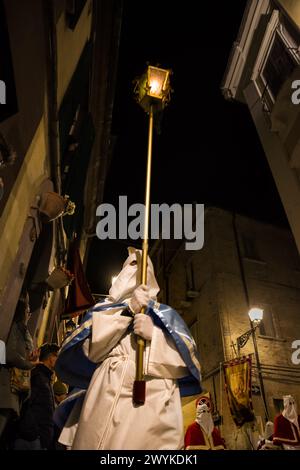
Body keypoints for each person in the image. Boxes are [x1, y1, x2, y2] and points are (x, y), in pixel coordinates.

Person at [55, 247, 202, 450]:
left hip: (150, 397)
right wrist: (127, 311)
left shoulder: (166, 315)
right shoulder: (105, 310)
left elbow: (184, 364)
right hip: (104, 389)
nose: (135, 270)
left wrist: (155, 337)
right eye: (131, 265)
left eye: (141, 265)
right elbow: (93, 351)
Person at [0, 294, 38, 445]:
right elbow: (9, 354)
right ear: (22, 311)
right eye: (28, 310)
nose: (29, 314)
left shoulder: (22, 332)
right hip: (6, 392)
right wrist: (30, 364)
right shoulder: (15, 328)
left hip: (13, 393)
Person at [14, 343, 59, 450]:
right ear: (51, 357)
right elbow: (26, 404)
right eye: (58, 356)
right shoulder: (38, 376)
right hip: (31, 439)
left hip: (37, 439)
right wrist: (34, 434)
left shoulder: (45, 377)